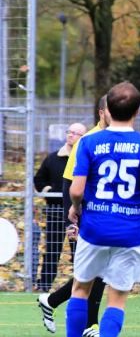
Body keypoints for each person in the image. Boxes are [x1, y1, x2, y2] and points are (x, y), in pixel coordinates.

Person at [60, 81, 140, 337]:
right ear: (138, 111)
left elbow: (77, 189)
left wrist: (75, 208)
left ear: (106, 111)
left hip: (93, 229)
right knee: (117, 297)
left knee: (81, 289)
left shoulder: (88, 143)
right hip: (129, 233)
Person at [37, 98, 110, 337]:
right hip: (87, 218)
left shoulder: (116, 139)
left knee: (96, 271)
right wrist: (73, 221)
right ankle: (89, 323)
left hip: (105, 217)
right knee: (94, 271)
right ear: (102, 113)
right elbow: (71, 183)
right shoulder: (88, 141)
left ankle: (53, 301)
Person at [33, 122, 87, 291]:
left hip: (79, 214)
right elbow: (39, 180)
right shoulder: (53, 158)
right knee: (52, 249)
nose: (71, 135)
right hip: (56, 212)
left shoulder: (85, 159)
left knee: (79, 250)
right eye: (69, 132)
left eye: (75, 133)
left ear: (83, 138)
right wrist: (50, 192)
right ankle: (44, 285)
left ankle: (81, 284)